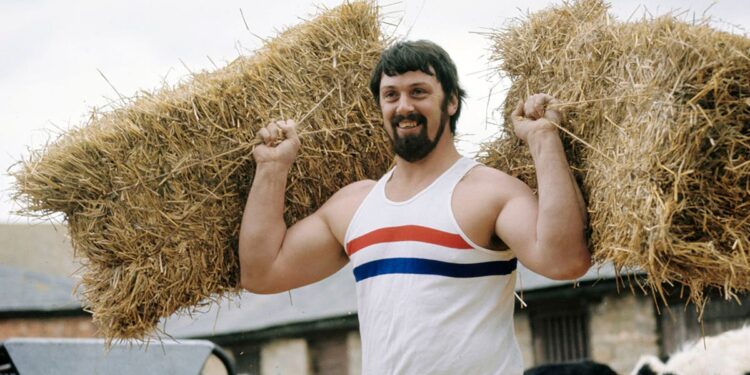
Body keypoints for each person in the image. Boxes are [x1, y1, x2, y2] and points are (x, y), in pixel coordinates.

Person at [238, 40, 590, 374]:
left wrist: (543, 139)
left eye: (418, 92)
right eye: (391, 95)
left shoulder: (489, 192)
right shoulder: (355, 205)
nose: (403, 106)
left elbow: (565, 261)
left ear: (451, 101)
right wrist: (272, 167)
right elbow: (262, 272)